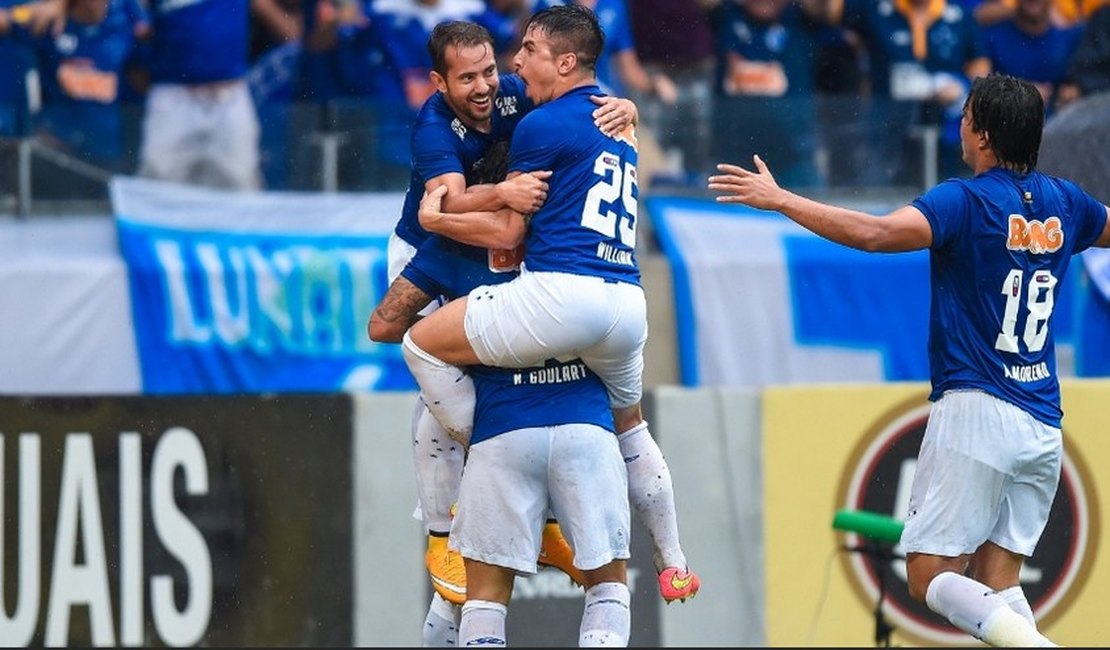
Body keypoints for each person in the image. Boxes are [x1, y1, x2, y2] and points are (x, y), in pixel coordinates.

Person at [708, 73, 1110, 647]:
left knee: (929, 575)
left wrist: (781, 200)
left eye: (968, 117)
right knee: (999, 582)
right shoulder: (1066, 201)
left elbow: (875, 234)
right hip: (1044, 421)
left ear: (985, 135)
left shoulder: (964, 200)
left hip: (977, 408)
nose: (962, 127)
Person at [401, 4, 700, 604]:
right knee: (631, 425)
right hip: (626, 303)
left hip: (562, 294)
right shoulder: (611, 119)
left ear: (562, 61)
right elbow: (454, 197)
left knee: (420, 345)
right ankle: (674, 561)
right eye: (472, 76)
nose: (509, 68)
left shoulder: (536, 123)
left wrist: (452, 211)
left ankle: (455, 511)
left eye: (527, 51)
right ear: (442, 82)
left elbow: (507, 232)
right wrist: (631, 105)